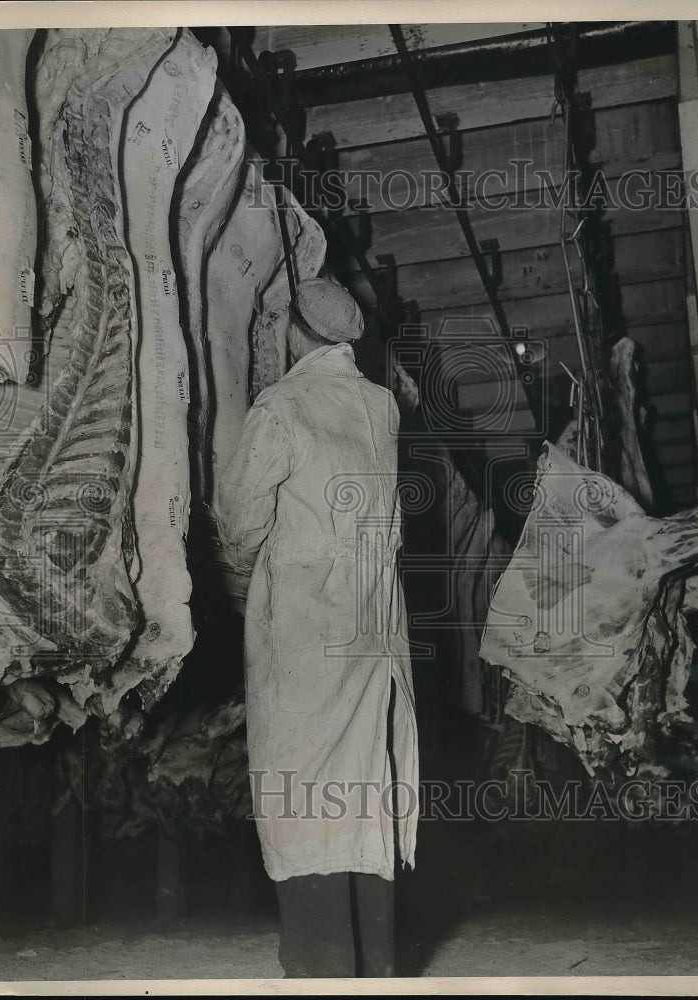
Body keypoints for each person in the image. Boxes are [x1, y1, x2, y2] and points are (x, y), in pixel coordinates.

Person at [215, 276, 419, 979]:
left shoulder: (281, 406)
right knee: (366, 778)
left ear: (294, 332)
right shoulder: (382, 406)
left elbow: (240, 518)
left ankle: (320, 963)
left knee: (297, 779)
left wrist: (244, 576)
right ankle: (377, 963)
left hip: (306, 614)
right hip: (375, 616)